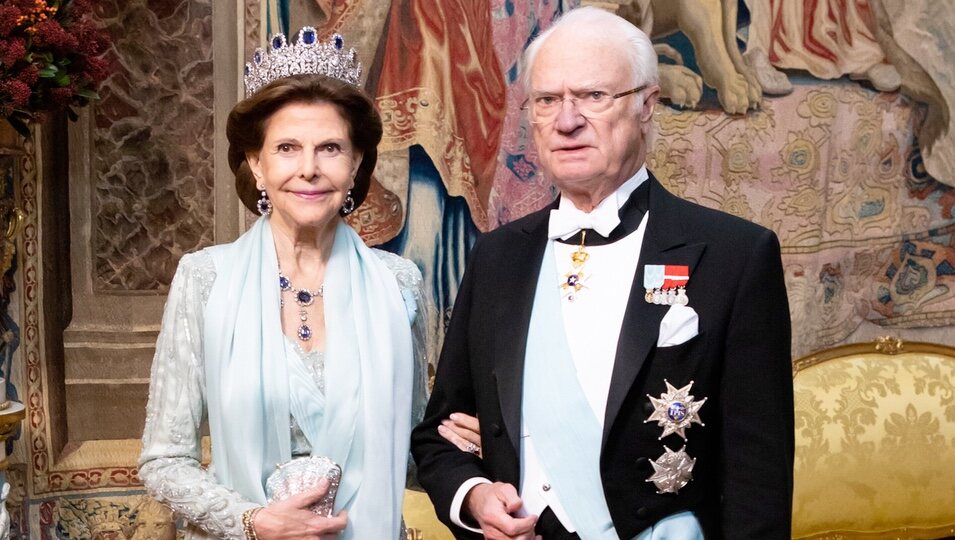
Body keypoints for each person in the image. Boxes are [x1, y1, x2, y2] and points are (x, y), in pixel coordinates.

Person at [411, 6, 793, 539]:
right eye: (547, 101)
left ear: (646, 106)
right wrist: (474, 496)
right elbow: (440, 437)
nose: (567, 121)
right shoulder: (497, 256)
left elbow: (758, 481)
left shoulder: (733, 256)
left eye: (593, 96)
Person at [138, 28, 430, 540]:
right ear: (256, 163)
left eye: (331, 148)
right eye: (288, 148)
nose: (309, 170)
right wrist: (254, 522)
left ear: (357, 162)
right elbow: (164, 460)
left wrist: (470, 446)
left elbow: (415, 450)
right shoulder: (204, 279)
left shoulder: (399, 284)